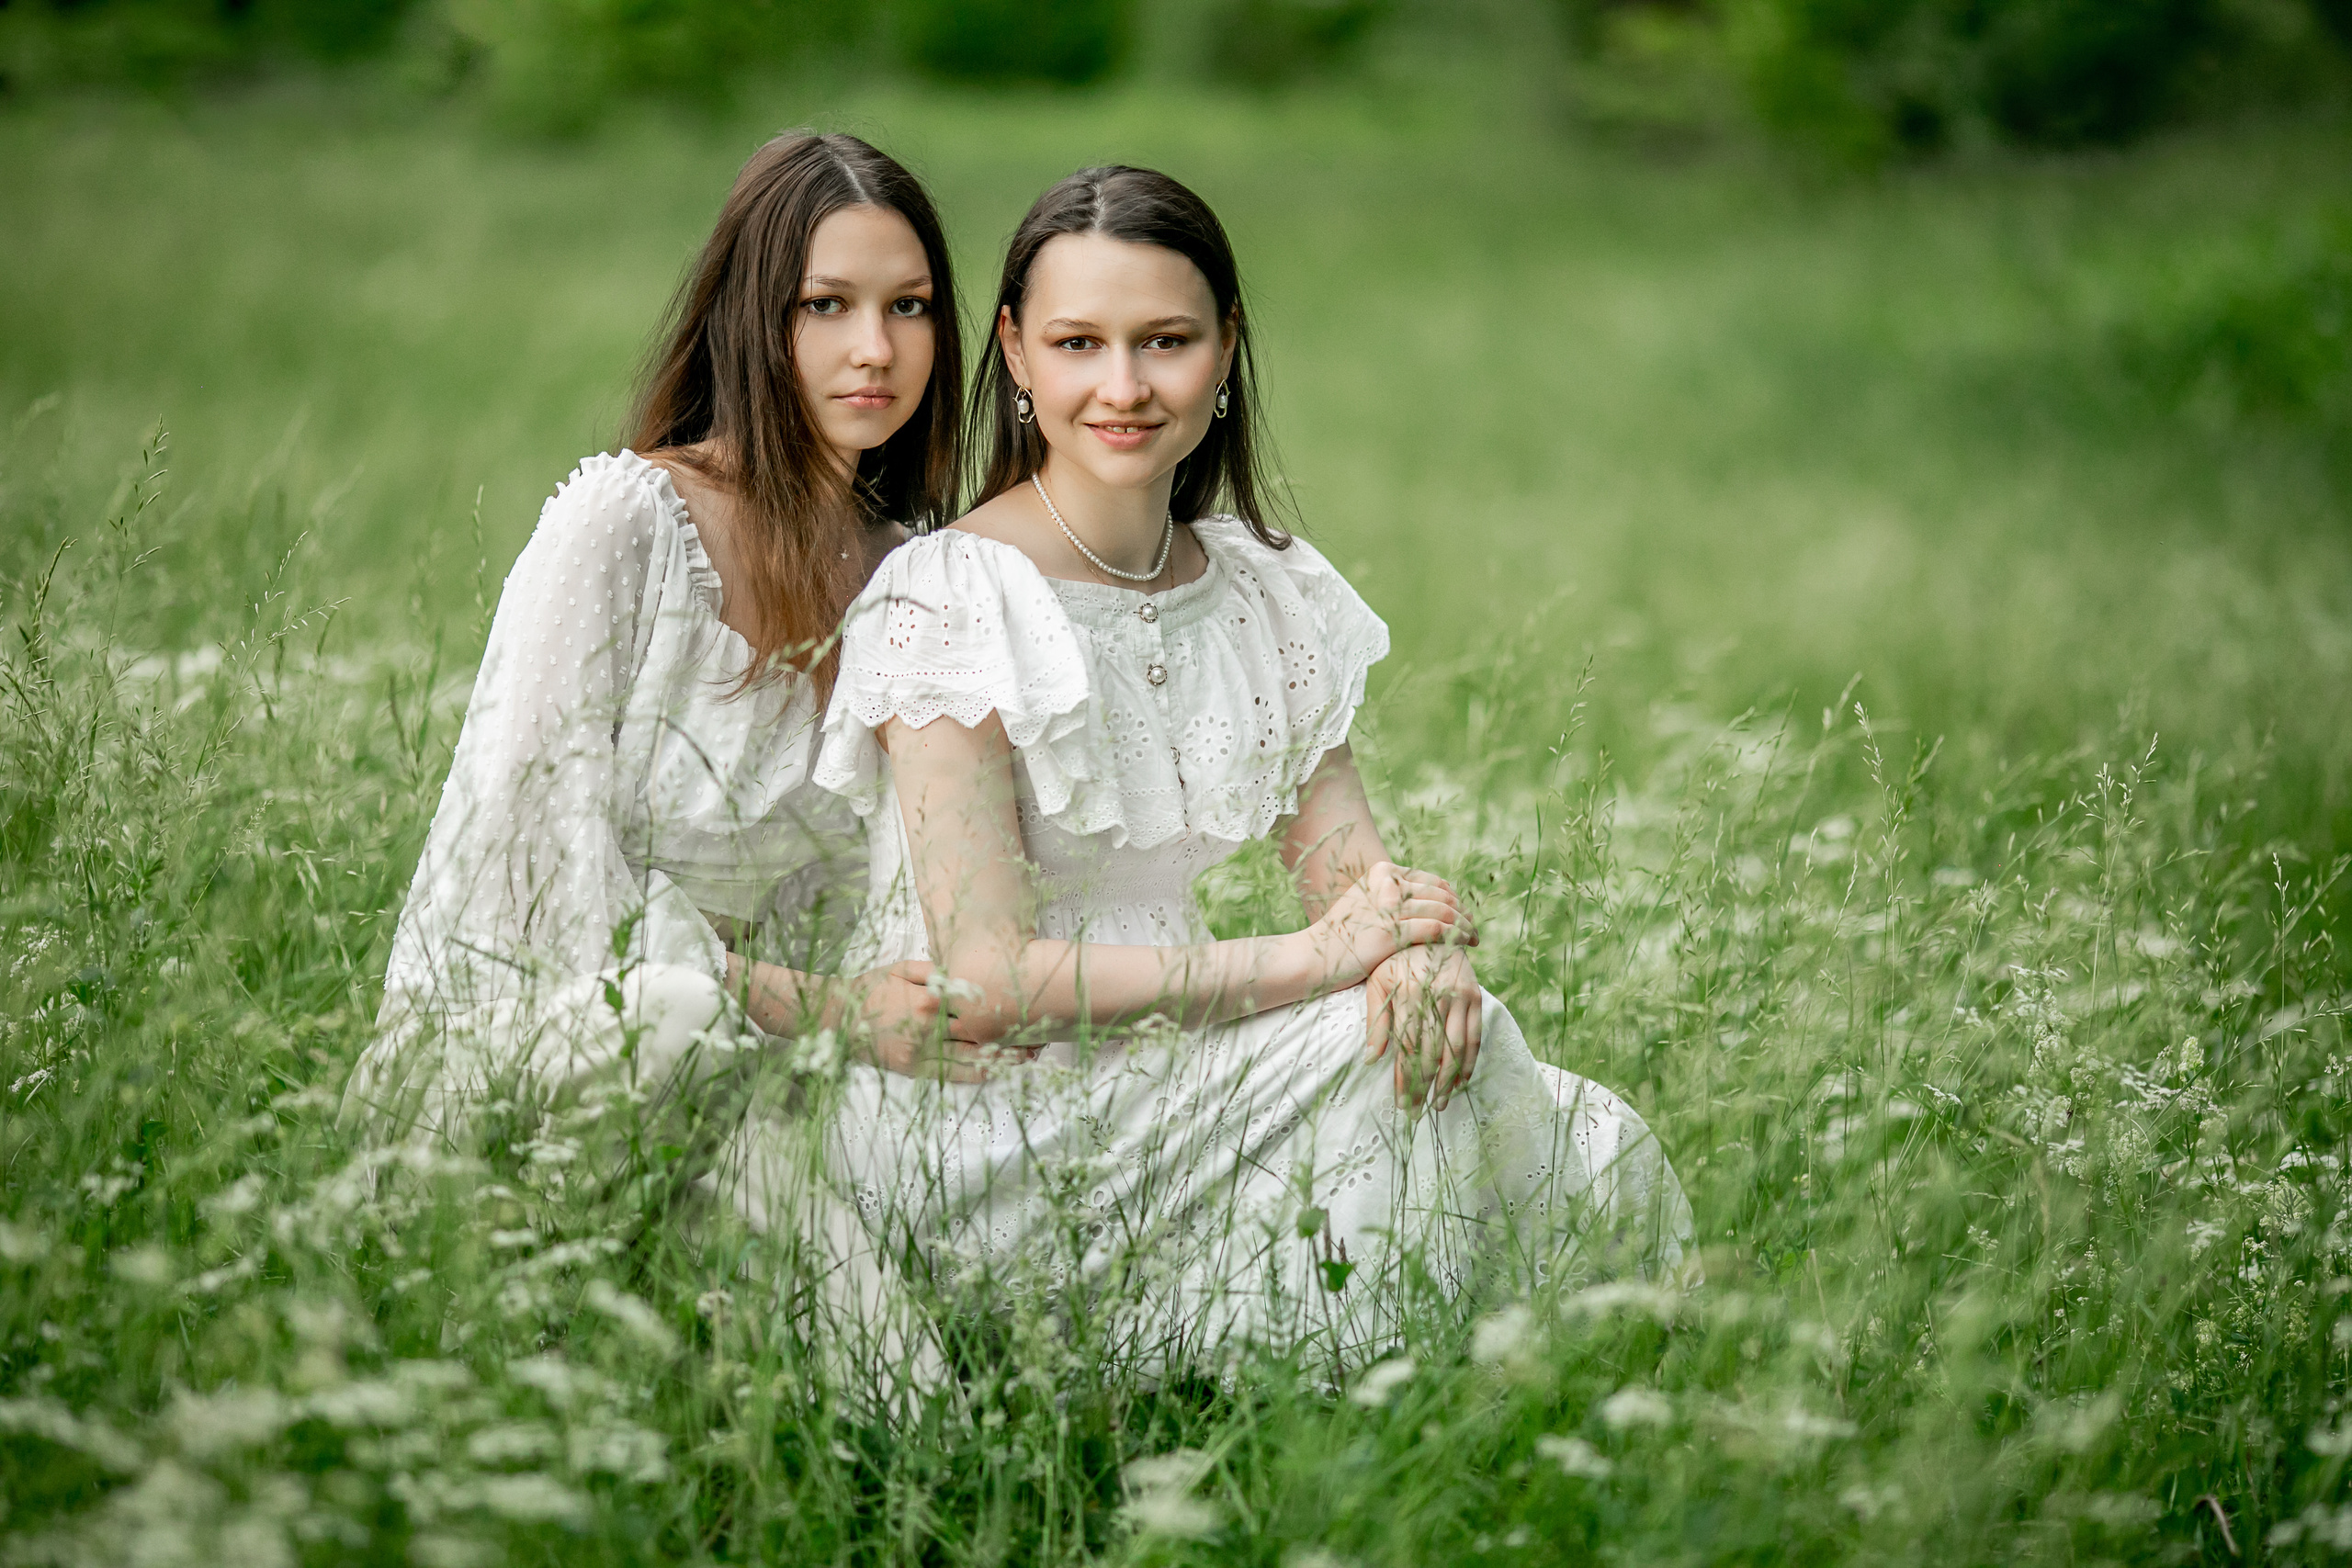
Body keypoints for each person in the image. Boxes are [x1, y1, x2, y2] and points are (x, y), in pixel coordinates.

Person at [770, 165, 1691, 1377]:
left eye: (1166, 341)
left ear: (1226, 346)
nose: (1124, 386)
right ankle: (1365, 1408)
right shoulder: (951, 593)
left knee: (1566, 1116)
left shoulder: (1265, 583)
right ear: (1015, 353)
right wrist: (1319, 963)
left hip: (1179, 1060)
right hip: (985, 1112)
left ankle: (1518, 1397)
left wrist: (1416, 951)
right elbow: (986, 972)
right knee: (1383, 1063)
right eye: (1078, 341)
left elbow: (1350, 873)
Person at [345, 131, 993, 1139]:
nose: (876, 348)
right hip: (539, 1040)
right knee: (678, 1017)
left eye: (908, 306)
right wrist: (828, 1009)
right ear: (749, 318)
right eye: (826, 306)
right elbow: (535, 883)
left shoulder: (911, 576)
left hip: (762, 1076)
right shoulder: (628, 524)